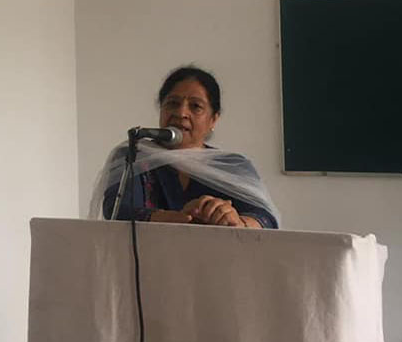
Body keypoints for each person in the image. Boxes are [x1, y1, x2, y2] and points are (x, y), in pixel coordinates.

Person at [93, 65, 279, 229]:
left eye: (195, 106)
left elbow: (266, 218)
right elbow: (118, 211)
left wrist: (235, 220)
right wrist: (184, 219)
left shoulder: (232, 165)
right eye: (173, 103)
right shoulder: (134, 155)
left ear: (213, 119)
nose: (181, 113)